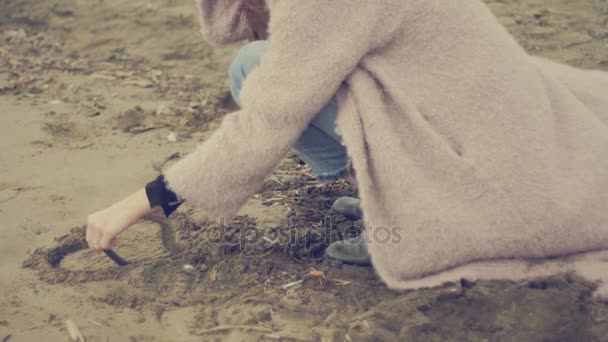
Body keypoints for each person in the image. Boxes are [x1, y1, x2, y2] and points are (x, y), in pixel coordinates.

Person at [87, 0, 608, 293]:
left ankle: (403, 207)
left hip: (477, 140)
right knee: (253, 64)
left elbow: (268, 122)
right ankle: (378, 183)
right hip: (459, 100)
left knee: (271, 85)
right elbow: (232, 29)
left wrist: (142, 200)